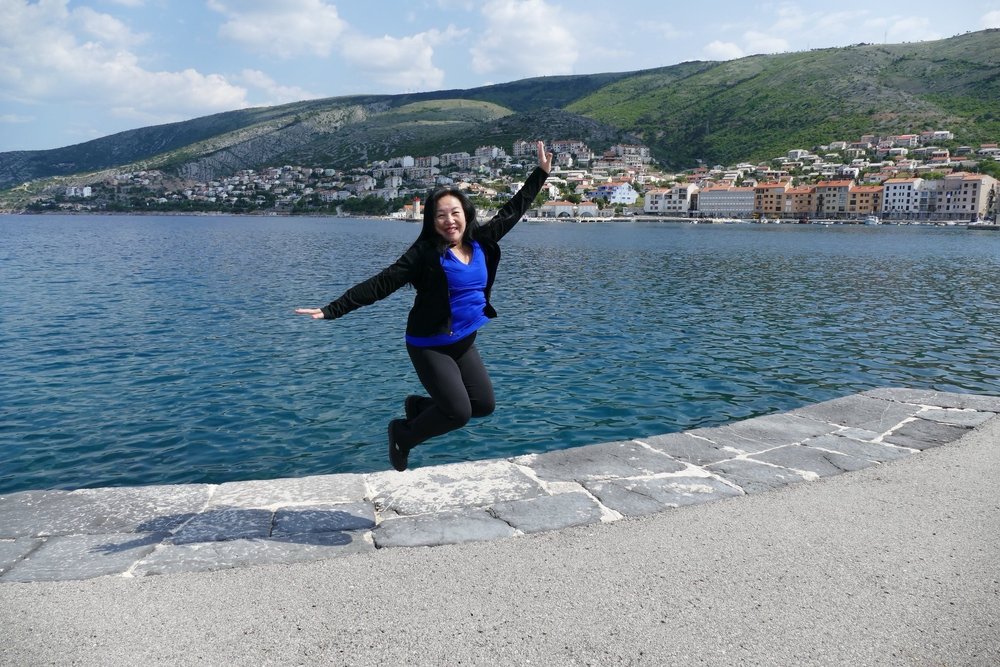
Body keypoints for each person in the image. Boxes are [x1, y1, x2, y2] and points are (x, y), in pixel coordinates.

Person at [296, 141, 553, 471]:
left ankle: (419, 407)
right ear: (431, 221)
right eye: (440, 215)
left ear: (466, 215)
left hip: (464, 340)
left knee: (483, 405)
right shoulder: (425, 255)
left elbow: (513, 210)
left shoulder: (482, 242)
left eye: (455, 213)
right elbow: (382, 282)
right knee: (458, 413)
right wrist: (332, 309)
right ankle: (403, 435)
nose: (449, 220)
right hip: (429, 343)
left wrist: (540, 173)